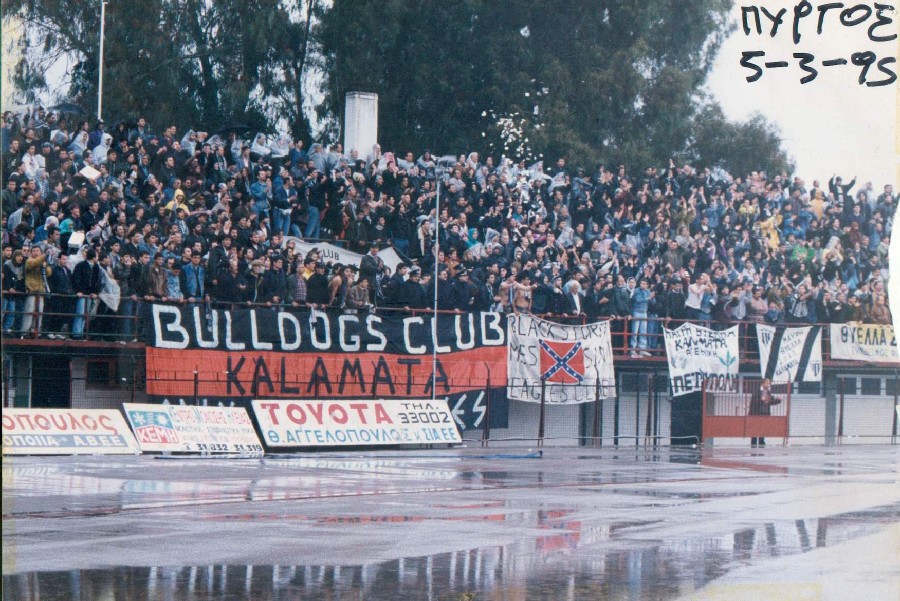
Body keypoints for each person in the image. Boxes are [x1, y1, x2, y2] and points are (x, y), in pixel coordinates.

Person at [748, 378, 780, 447]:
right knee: (755, 430)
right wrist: (761, 399)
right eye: (767, 383)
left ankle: (761, 444)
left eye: (769, 383)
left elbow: (770, 401)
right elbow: (754, 402)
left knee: (763, 429)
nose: (769, 385)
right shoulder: (756, 391)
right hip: (756, 414)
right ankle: (753, 444)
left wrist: (777, 400)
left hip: (765, 414)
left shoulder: (768, 392)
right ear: (763, 383)